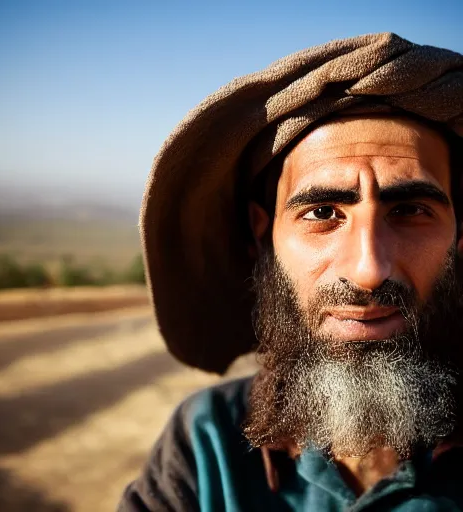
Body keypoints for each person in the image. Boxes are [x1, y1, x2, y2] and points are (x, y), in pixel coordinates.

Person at [120, 33, 463, 511]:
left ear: (460, 236)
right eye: (322, 213)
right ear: (265, 237)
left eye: (409, 210)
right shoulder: (208, 441)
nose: (368, 270)